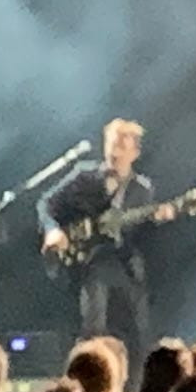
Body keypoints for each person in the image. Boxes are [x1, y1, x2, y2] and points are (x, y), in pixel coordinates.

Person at [44, 122, 163, 353]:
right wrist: (52, 230)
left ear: (135, 153)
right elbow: (47, 203)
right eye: (111, 144)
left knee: (138, 330)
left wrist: (158, 219)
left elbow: (145, 238)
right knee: (93, 327)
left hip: (123, 263)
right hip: (88, 262)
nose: (114, 152)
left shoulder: (142, 190)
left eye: (121, 146)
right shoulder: (84, 176)